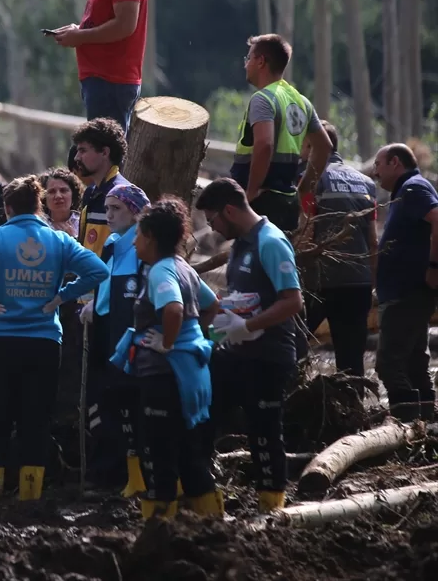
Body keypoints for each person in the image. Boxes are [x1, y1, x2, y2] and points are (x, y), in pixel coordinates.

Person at [0, 175, 108, 508]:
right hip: (43, 343)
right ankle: (29, 500)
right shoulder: (58, 241)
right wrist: (61, 297)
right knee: (36, 420)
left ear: (7, 208)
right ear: (39, 205)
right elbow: (97, 271)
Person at [195, 178, 304, 512]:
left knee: (264, 433)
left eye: (212, 220)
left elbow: (292, 301)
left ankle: (271, 506)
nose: (212, 228)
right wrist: (221, 325)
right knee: (202, 418)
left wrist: (249, 326)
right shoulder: (241, 244)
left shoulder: (270, 242)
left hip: (268, 356)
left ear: (229, 210)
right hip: (235, 353)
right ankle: (205, 502)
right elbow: (244, 297)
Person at [112, 197, 221, 520]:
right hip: (190, 372)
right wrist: (193, 337)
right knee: (191, 456)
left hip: (165, 375)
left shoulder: (161, 272)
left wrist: (168, 342)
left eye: (139, 235)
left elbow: (172, 308)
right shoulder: (184, 267)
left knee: (160, 460)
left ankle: (158, 531)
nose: (134, 241)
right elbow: (212, 303)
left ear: (152, 238)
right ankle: (214, 526)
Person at [46, 0, 148, 135]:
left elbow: (125, 25)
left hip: (111, 82)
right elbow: (107, 20)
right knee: (100, 155)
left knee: (105, 158)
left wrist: (81, 37)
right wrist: (78, 29)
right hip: (102, 83)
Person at [80, 183, 150, 498]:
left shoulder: (144, 247)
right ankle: (110, 475)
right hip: (109, 339)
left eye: (115, 209)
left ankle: (137, 479)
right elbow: (109, 286)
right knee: (106, 408)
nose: (108, 215)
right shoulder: (111, 244)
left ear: (135, 212)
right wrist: (98, 305)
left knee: (134, 412)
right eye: (106, 209)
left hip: (136, 345)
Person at [230, 34, 332, 235]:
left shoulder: (263, 99)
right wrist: (303, 189)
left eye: (248, 58)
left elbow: (264, 144)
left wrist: (249, 194)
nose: (246, 64)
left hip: (262, 202)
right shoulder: (302, 101)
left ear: (260, 62)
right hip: (287, 202)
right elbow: (324, 146)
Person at [299, 121, 377, 377]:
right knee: (352, 360)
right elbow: (372, 239)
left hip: (320, 283)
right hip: (358, 283)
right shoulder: (366, 183)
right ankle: (353, 411)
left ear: (313, 145)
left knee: (294, 345)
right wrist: (371, 281)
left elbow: (307, 232)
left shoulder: (312, 179)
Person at [370, 143, 438, 420]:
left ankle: (406, 425)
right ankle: (427, 426)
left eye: (378, 165)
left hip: (407, 293)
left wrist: (434, 266)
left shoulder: (413, 188)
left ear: (395, 163)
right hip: (404, 292)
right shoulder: (407, 191)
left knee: (388, 364)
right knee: (414, 364)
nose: (375, 172)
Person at [73, 117, 129, 257]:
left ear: (104, 152)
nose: (76, 158)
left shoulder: (123, 195)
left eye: (83, 150)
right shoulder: (91, 193)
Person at [37, 166, 83, 238]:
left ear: (73, 194)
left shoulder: (83, 222)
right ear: (43, 197)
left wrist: (73, 238)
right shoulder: (38, 224)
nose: (58, 196)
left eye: (63, 190)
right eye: (52, 191)